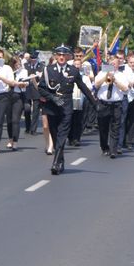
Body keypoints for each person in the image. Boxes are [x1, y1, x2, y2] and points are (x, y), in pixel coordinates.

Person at [38, 44, 96, 175]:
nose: (61, 57)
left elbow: (83, 88)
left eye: (64, 55)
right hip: (52, 107)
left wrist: (94, 103)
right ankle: (61, 160)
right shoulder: (48, 70)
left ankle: (55, 163)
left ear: (68, 56)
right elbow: (41, 88)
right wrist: (52, 98)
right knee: (54, 134)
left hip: (66, 107)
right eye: (59, 55)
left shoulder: (73, 71)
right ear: (55, 56)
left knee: (62, 135)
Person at [94, 55, 130, 158]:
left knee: (115, 127)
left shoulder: (121, 75)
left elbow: (126, 90)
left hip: (116, 104)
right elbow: (96, 85)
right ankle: (105, 147)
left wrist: (115, 81)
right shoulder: (102, 73)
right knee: (103, 128)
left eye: (114, 64)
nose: (113, 65)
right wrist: (105, 77)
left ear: (118, 65)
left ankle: (113, 150)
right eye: (111, 64)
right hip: (103, 104)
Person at [6, 55, 29, 150]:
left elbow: (24, 85)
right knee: (9, 120)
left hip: (18, 96)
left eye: (19, 64)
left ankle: (15, 142)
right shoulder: (8, 71)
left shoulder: (24, 71)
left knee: (15, 120)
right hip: (8, 96)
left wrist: (22, 83)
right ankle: (10, 139)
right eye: (15, 64)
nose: (17, 66)